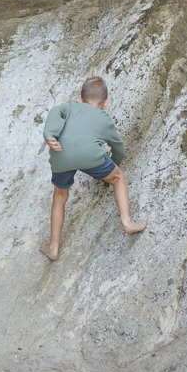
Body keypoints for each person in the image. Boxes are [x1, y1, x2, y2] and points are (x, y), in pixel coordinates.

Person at [42, 76, 146, 261]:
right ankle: (128, 222)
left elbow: (56, 111)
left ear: (80, 99)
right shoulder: (104, 119)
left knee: (59, 197)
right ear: (105, 103)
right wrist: (114, 167)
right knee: (118, 178)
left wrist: (50, 135)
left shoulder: (69, 108)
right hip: (91, 157)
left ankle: (53, 248)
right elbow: (118, 148)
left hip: (61, 155)